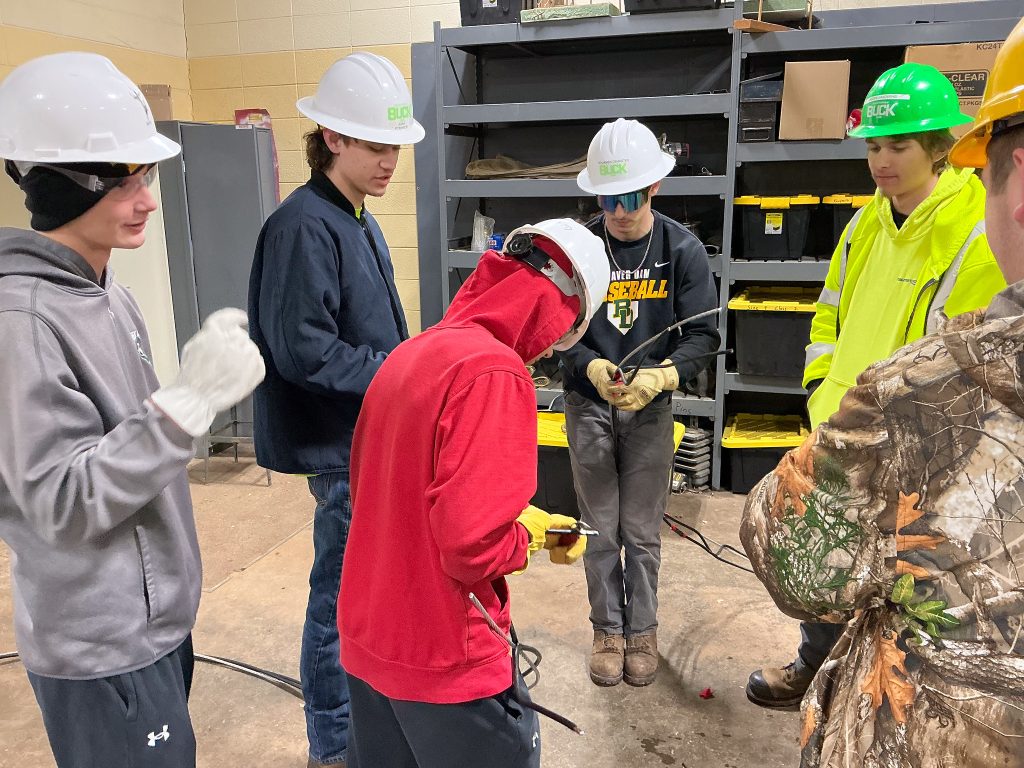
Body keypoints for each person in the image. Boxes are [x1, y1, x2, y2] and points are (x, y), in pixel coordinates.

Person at [741, 18, 1024, 767]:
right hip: (844, 427)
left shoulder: (971, 224)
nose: (881, 161)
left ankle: (871, 701)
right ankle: (816, 666)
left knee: (904, 601)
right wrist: (819, 390)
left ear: (941, 148)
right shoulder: (864, 225)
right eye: (872, 145)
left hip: (931, 450)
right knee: (836, 577)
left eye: (899, 145)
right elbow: (829, 310)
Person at [0, 53, 264, 768]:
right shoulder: (21, 319)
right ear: (55, 185)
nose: (146, 199)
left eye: (144, 176)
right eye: (123, 181)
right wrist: (187, 403)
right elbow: (59, 501)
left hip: (152, 624)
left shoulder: (105, 290)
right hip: (100, 641)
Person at [339, 219, 610, 768]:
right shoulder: (494, 371)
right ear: (559, 313)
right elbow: (471, 548)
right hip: (442, 655)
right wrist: (520, 538)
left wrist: (518, 523)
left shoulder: (413, 353)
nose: (547, 352)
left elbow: (401, 491)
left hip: (370, 641)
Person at [247, 51, 423, 768]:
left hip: (369, 438)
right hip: (338, 448)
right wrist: (400, 373)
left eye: (395, 148)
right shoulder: (302, 227)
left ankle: (363, 731)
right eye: (377, 146)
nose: (389, 162)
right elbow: (304, 351)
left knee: (369, 598)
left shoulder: (358, 218)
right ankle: (332, 746)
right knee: (338, 603)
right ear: (332, 138)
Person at [558, 118, 720, 687]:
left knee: (641, 530)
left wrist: (664, 375)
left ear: (654, 188)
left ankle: (642, 630)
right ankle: (608, 629)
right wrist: (589, 366)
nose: (619, 210)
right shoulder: (579, 250)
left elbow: (704, 335)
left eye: (630, 197)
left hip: (649, 406)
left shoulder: (682, 250)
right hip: (589, 403)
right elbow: (555, 331)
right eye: (608, 198)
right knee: (599, 525)